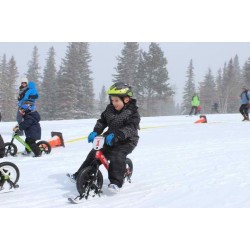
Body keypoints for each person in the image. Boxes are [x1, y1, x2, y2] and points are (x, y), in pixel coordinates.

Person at [69, 82, 140, 191]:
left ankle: (116, 182)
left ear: (126, 100)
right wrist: (96, 131)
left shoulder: (133, 113)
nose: (114, 103)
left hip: (127, 140)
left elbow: (131, 128)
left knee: (117, 155)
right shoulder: (110, 109)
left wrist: (119, 135)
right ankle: (81, 175)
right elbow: (102, 121)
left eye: (116, 100)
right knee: (94, 153)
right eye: (112, 100)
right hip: (109, 137)